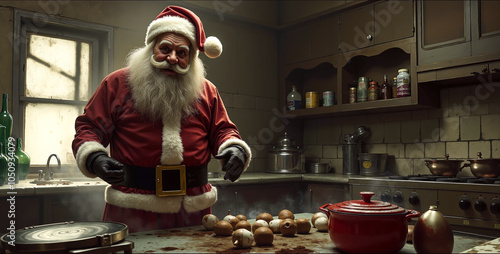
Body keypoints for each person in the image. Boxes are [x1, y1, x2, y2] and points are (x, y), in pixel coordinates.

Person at [72, 6, 251, 233]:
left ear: (191, 58)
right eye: (165, 48)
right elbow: (90, 127)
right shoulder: (117, 84)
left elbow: (222, 130)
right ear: (151, 48)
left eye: (182, 53)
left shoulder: (207, 91)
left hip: (193, 209)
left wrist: (235, 149)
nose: (172, 58)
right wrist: (94, 157)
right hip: (133, 206)